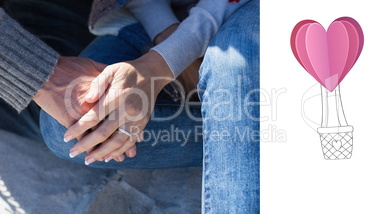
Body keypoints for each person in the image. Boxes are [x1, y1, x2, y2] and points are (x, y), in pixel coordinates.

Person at [0, 0, 260, 212]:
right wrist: (165, 33)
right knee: (77, 125)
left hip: (240, 10)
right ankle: (252, 127)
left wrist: (161, 62)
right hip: (150, 16)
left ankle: (248, 124)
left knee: (232, 69)